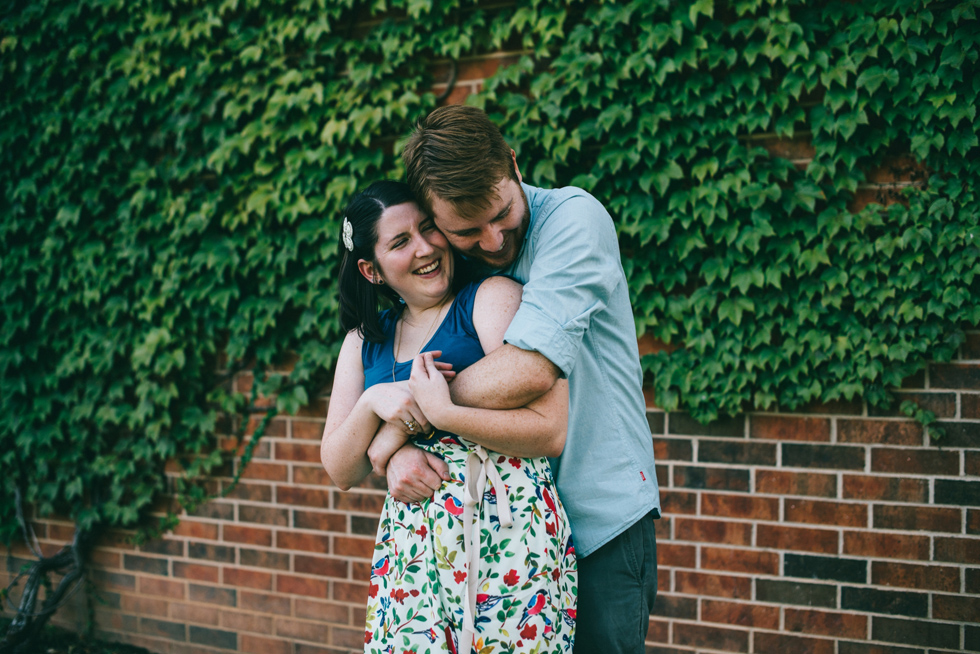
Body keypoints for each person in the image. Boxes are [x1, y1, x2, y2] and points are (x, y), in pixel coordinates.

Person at [378, 105, 661, 653]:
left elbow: (530, 370)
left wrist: (404, 419)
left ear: (512, 162)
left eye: (501, 213)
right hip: (502, 542)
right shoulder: (456, 267)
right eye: (466, 231)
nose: (490, 241)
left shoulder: (575, 221)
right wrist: (399, 450)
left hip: (597, 523)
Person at [320, 180, 576, 653]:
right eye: (400, 242)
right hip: (415, 551)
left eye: (428, 228)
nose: (425, 248)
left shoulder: (489, 299)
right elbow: (340, 468)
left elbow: (547, 432)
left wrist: (430, 418)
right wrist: (374, 406)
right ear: (370, 270)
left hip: (508, 533)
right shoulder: (362, 343)